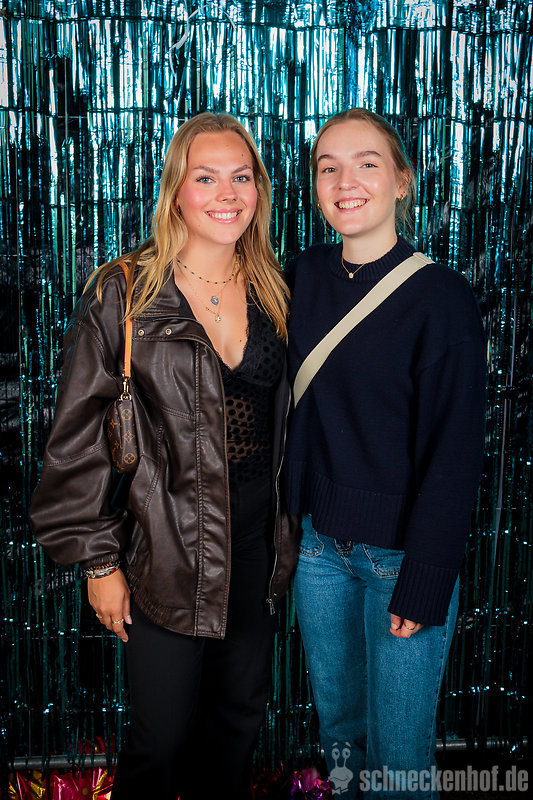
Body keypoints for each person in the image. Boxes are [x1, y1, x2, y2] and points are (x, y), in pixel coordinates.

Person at [30, 112, 296, 800]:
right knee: (162, 742)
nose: (227, 194)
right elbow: (76, 443)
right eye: (205, 178)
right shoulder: (124, 293)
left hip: (257, 553)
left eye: (241, 177)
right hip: (166, 552)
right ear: (176, 190)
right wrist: (98, 562)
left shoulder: (276, 289)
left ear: (259, 190)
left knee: (234, 734)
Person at [284, 109, 486, 799]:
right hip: (318, 553)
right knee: (342, 735)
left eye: (367, 164)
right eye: (329, 167)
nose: (346, 181)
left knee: (398, 758)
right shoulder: (300, 277)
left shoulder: (442, 298)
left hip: (400, 558)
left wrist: (426, 579)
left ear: (401, 181)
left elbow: (455, 453)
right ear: (315, 185)